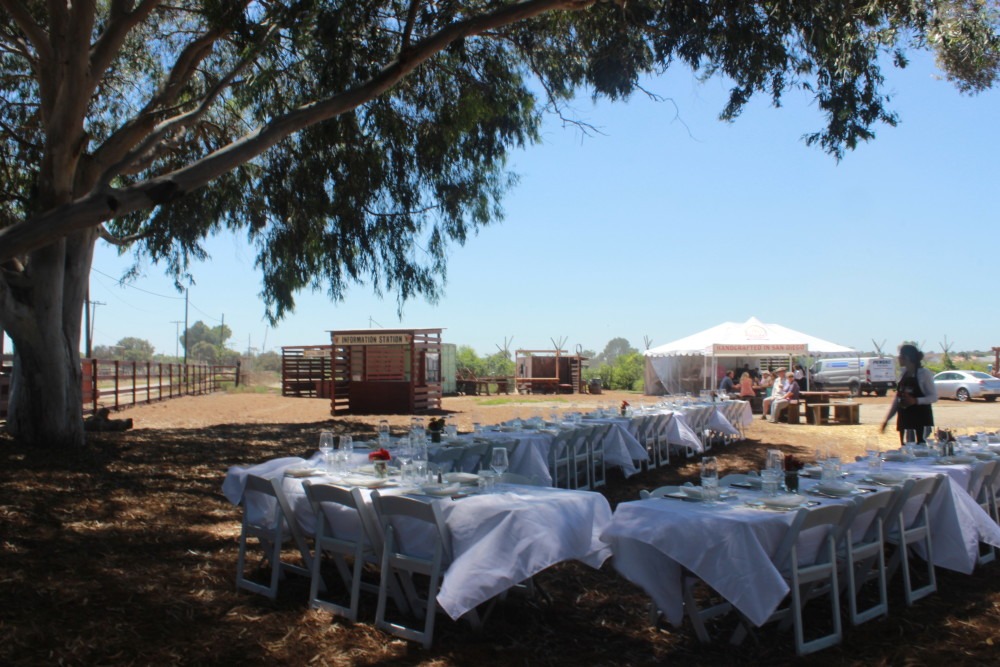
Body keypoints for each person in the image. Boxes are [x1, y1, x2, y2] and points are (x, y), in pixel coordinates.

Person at [880, 344, 937, 444]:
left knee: (921, 454)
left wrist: (916, 401)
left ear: (907, 358)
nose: (898, 358)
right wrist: (887, 419)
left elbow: (933, 397)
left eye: (900, 356)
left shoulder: (924, 374)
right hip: (905, 421)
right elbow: (897, 400)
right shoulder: (903, 374)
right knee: (906, 453)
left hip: (921, 422)